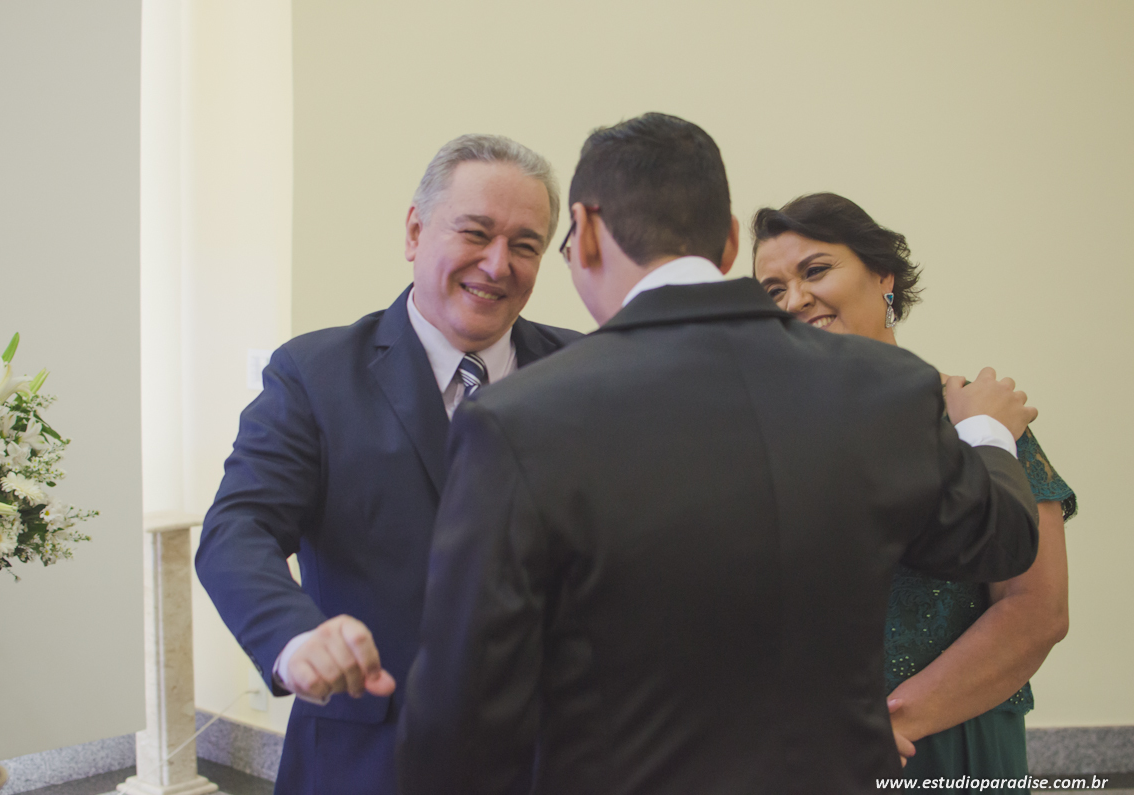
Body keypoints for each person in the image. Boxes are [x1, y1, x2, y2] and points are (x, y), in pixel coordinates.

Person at [396, 113, 1042, 794]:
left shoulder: (519, 417)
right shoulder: (886, 388)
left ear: (583, 232)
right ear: (731, 239)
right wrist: (987, 432)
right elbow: (1001, 540)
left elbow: (460, 714)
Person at [195, 134, 582, 795]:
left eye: (525, 245)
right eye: (476, 233)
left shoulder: (582, 374)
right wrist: (294, 638)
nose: (498, 264)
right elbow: (239, 528)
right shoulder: (314, 375)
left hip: (552, 761)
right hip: (368, 759)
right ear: (414, 230)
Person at [752, 192, 1074, 790]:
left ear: (883, 277)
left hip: (949, 742)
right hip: (806, 753)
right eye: (772, 291)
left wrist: (889, 723)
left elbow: (1037, 611)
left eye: (815, 271)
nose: (795, 299)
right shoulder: (762, 440)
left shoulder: (977, 418)